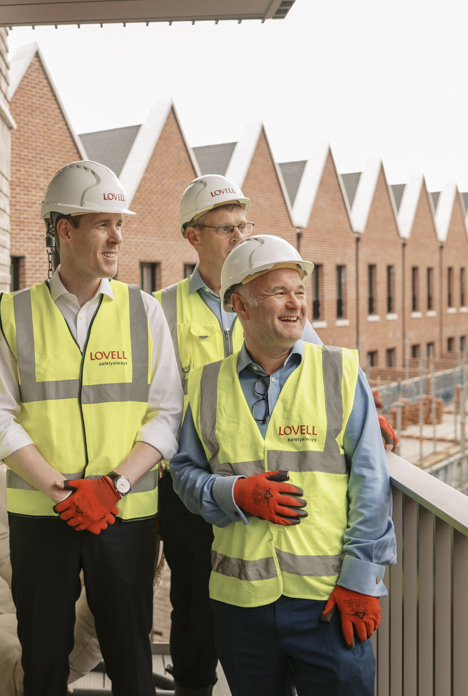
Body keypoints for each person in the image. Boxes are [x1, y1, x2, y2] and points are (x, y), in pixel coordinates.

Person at [0, 160, 183, 696]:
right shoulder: (14, 313)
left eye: (120, 224)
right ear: (64, 229)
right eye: (103, 224)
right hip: (42, 514)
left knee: (131, 663)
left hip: (124, 512)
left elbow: (167, 414)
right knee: (43, 661)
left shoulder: (145, 311)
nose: (117, 237)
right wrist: (62, 489)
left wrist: (110, 486)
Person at [171, 235, 396, 696]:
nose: (296, 304)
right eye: (279, 292)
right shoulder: (206, 384)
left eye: (299, 291)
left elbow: (371, 483)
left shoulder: (341, 371)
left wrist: (362, 581)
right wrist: (235, 493)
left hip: (330, 603)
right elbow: (184, 474)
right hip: (240, 608)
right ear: (240, 305)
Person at [152, 175, 321, 696]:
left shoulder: (267, 292)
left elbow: (313, 361)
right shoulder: (161, 308)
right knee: (195, 607)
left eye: (244, 226)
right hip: (193, 484)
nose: (239, 237)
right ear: (192, 236)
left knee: (269, 598)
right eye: (226, 228)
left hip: (267, 480)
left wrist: (370, 406)